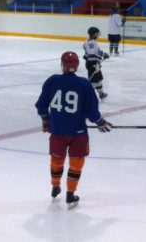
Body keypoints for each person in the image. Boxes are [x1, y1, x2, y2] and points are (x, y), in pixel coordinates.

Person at [35, 51, 112, 209]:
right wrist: (100, 122)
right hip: (78, 133)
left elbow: (41, 106)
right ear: (77, 66)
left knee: (57, 160)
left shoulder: (52, 81)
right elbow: (92, 113)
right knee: (76, 163)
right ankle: (70, 195)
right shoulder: (84, 84)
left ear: (62, 65)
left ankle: (55, 186)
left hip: (57, 132)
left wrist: (46, 121)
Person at [83, 27, 109, 100]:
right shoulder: (92, 43)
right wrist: (95, 64)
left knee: (98, 79)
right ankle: (88, 95)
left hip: (93, 63)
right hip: (93, 64)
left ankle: (101, 93)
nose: (98, 35)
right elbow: (91, 55)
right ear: (94, 34)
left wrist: (103, 54)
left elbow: (95, 52)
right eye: (97, 34)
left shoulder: (88, 42)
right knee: (93, 81)